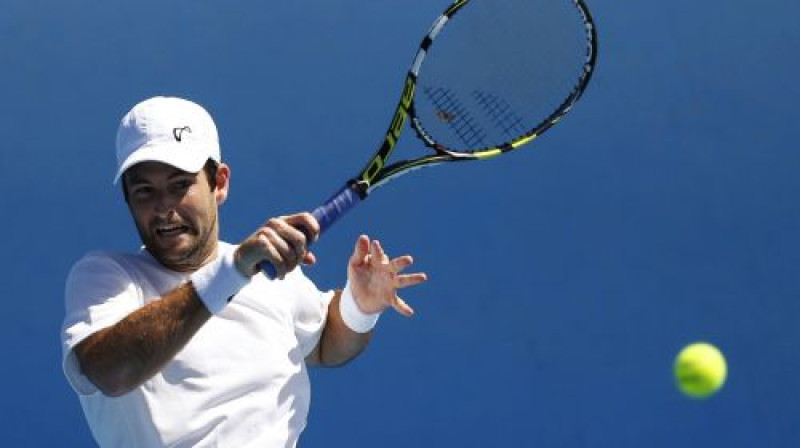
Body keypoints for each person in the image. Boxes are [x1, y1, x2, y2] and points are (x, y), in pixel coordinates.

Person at [60, 96, 428, 448]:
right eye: (144, 191)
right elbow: (110, 371)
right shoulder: (108, 277)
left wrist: (359, 308)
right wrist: (234, 270)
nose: (163, 207)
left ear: (219, 184)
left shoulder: (273, 280)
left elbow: (328, 341)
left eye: (179, 185)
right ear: (127, 198)